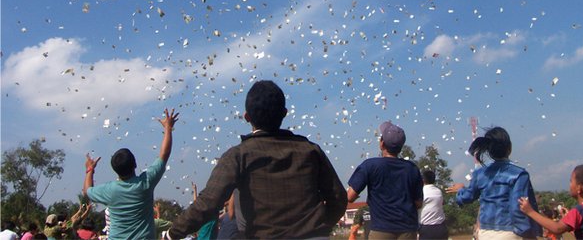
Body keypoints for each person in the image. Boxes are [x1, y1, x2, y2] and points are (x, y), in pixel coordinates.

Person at [166, 80, 347, 239]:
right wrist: (317, 229)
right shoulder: (310, 151)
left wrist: (171, 234)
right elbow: (338, 198)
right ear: (284, 113)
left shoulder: (238, 156)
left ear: (246, 117)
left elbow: (208, 203)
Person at [83, 108, 178, 240]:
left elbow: (87, 191)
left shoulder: (109, 190)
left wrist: (90, 170)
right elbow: (163, 155)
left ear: (115, 170)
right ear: (135, 164)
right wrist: (168, 128)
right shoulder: (145, 182)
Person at [447, 126, 542, 240]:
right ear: (509, 148)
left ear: (488, 151)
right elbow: (518, 206)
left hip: (485, 232)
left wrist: (460, 190)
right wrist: (527, 232)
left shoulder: (480, 173)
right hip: (510, 232)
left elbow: (467, 197)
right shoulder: (518, 174)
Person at [347, 121, 423, 240]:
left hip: (381, 229)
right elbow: (418, 203)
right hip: (408, 229)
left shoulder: (369, 166)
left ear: (382, 144)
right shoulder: (412, 169)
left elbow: (350, 196)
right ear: (401, 147)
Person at [518, 165, 583, 239]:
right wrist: (568, 221)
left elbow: (557, 228)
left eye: (571, 181)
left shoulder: (580, 210)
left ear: (579, 188)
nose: (569, 185)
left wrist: (530, 211)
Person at [418, 170, 448, 240]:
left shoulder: (421, 192)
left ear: (423, 180)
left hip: (426, 228)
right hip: (441, 227)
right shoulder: (438, 191)